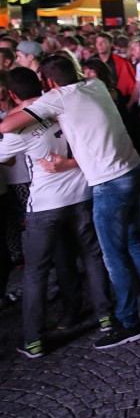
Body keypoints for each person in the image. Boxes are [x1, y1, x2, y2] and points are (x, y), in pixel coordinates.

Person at [0, 55, 140, 350]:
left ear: (49, 83)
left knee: (110, 257)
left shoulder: (56, 99)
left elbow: (6, 128)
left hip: (101, 186)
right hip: (129, 173)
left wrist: (23, 105)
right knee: (130, 244)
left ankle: (128, 322)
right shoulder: (95, 84)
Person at [2, 68, 111, 359]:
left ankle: (33, 339)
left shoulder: (20, 125)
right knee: (92, 256)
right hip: (82, 193)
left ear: (13, 95)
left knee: (36, 271)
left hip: (47, 205)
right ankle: (106, 317)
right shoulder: (66, 104)